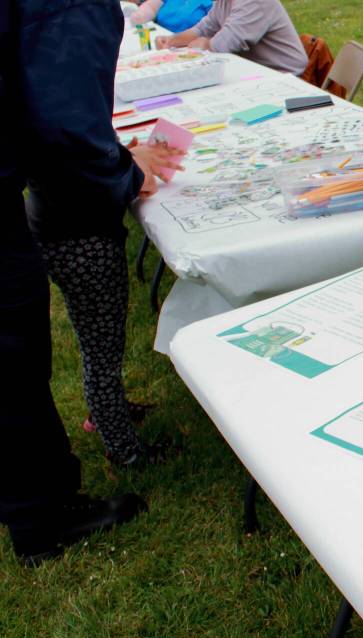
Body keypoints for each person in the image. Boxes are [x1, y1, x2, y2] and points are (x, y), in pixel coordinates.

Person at [2, 0, 179, 564]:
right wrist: (123, 170)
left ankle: (50, 488)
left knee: (56, 350)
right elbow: (64, 116)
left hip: (49, 206)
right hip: (71, 218)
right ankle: (61, 500)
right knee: (45, 352)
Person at [155, 0, 307, 76]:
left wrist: (204, 45)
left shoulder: (254, 2)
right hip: (254, 71)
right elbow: (203, 28)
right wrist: (171, 41)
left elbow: (223, 45)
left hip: (285, 76)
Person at [130, 0, 212, 33]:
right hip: (160, 41)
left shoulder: (210, 3)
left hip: (190, 45)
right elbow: (149, 8)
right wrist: (138, 17)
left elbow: (214, 28)